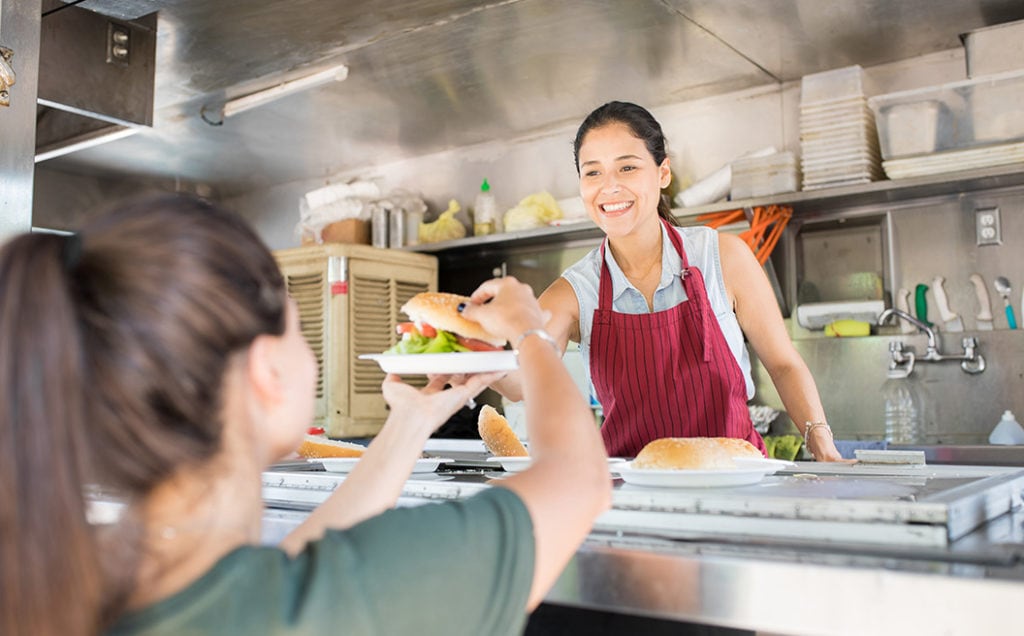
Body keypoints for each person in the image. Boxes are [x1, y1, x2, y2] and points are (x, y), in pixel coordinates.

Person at [0, 194, 611, 636]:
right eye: (300, 330)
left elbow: (296, 568)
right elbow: (580, 481)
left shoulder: (72, 576)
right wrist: (532, 335)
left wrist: (410, 421)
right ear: (267, 370)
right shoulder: (348, 599)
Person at [494, 101, 844, 462]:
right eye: (593, 173)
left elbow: (783, 364)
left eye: (627, 167)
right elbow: (523, 381)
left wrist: (821, 442)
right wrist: (475, 355)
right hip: (634, 495)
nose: (609, 187)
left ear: (663, 174)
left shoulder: (722, 257)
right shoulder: (574, 292)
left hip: (736, 479)